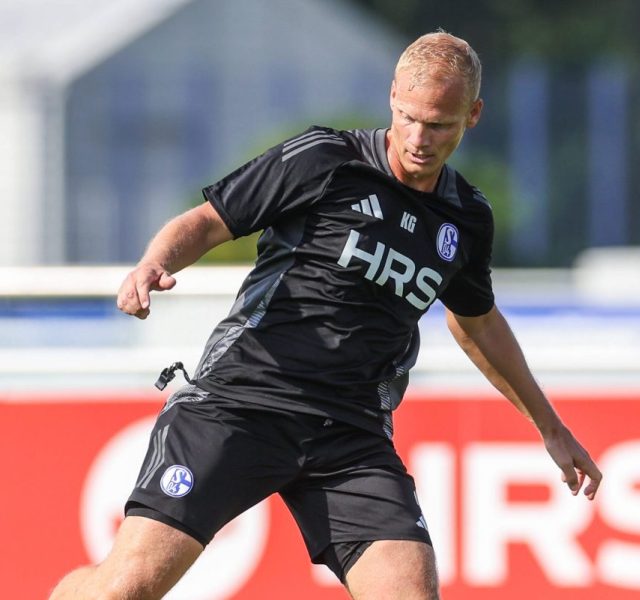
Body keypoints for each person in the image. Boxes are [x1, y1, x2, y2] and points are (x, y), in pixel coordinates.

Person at [50, 31, 601, 600]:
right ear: (392, 96)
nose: (418, 138)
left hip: (352, 435)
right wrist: (153, 263)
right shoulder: (324, 159)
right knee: (126, 589)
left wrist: (550, 428)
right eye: (409, 117)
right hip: (241, 404)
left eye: (438, 125)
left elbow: (477, 321)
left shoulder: (466, 219)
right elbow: (211, 220)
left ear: (473, 115)